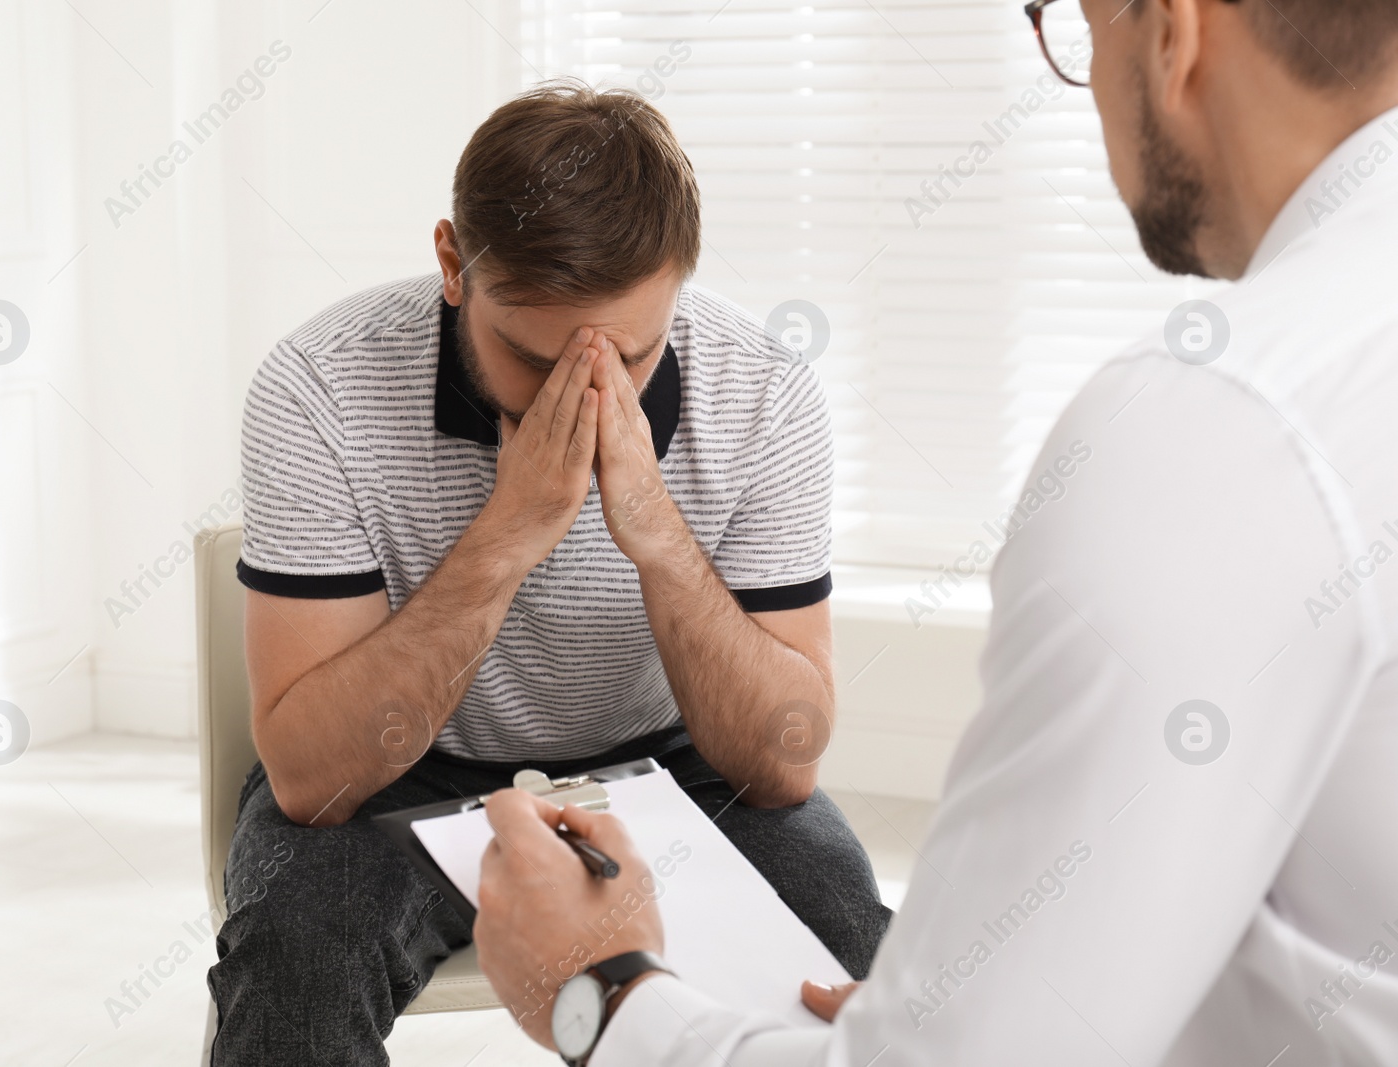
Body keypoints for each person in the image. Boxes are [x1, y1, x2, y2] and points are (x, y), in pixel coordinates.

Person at [473, 1, 1398, 1064]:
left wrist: (599, 988)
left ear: (1173, 34)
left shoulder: (1217, 427)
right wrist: (965, 995)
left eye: (1080, 27)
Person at [206, 82, 894, 1066]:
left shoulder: (765, 390)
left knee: (866, 970)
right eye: (533, 357)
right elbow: (313, 780)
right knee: (294, 959)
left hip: (680, 767)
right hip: (402, 780)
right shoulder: (318, 386)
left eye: (636, 352)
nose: (589, 390)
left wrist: (655, 532)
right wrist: (508, 533)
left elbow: (781, 763)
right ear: (453, 264)